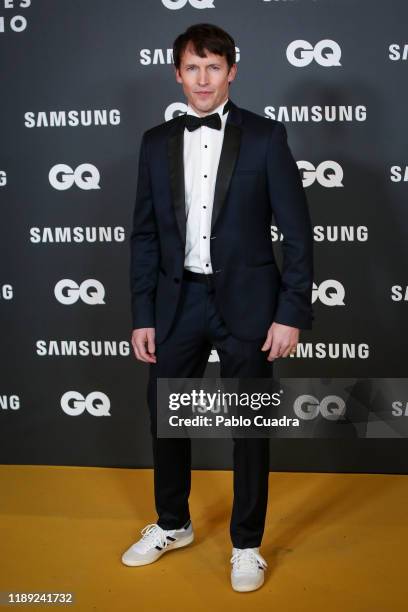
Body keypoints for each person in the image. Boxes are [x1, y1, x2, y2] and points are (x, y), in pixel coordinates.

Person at [122, 22, 314, 593]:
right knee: (167, 419)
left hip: (251, 305)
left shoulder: (265, 138)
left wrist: (291, 312)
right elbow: (146, 236)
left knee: (249, 426)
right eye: (191, 67)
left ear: (231, 71)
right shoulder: (155, 142)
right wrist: (142, 313)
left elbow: (298, 236)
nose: (202, 78)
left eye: (213, 67)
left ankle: (247, 544)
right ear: (177, 73)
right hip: (177, 302)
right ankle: (173, 523)